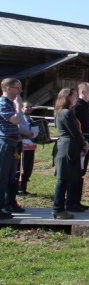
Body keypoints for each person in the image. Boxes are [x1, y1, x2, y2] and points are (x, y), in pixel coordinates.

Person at [52, 87, 88, 219]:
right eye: (74, 96)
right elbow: (75, 132)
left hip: (68, 146)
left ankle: (62, 207)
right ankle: (58, 208)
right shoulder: (66, 113)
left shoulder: (63, 112)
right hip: (68, 147)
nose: (76, 98)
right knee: (63, 179)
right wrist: (83, 144)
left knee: (66, 178)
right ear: (67, 97)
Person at [0, 78, 24, 219]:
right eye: (17, 88)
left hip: (13, 143)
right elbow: (14, 120)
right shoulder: (3, 103)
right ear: (8, 88)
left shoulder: (10, 103)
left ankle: (7, 203)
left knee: (10, 176)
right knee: (2, 176)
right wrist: (20, 106)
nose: (20, 91)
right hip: (5, 143)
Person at [73, 82, 89, 208]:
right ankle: (72, 201)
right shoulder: (77, 106)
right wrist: (83, 142)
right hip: (81, 144)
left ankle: (76, 201)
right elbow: (77, 128)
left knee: (81, 172)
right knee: (76, 172)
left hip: (87, 141)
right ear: (83, 92)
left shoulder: (85, 106)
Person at [16, 100, 37, 197]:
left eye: (30, 107)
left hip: (31, 147)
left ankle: (24, 188)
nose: (29, 108)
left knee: (28, 168)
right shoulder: (20, 119)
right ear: (22, 108)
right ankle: (19, 188)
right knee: (22, 168)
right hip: (23, 147)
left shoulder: (32, 119)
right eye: (27, 107)